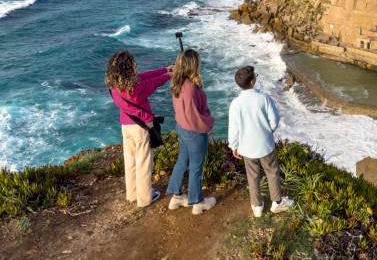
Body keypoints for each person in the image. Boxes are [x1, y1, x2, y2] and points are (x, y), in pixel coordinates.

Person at [106, 51, 171, 207]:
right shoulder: (136, 89)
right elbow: (153, 83)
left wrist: (165, 70)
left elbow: (145, 76)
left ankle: (133, 194)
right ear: (129, 68)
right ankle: (144, 198)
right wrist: (169, 76)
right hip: (140, 128)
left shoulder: (114, 87)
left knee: (131, 161)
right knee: (144, 163)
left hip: (126, 126)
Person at [228, 65, 294, 217]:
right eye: (255, 75)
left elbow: (234, 128)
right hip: (265, 145)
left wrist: (234, 145)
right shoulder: (264, 99)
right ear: (252, 82)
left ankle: (257, 206)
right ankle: (277, 203)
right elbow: (275, 119)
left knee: (252, 176)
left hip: (246, 147)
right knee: (272, 173)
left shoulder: (236, 104)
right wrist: (268, 130)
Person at [166, 49, 217, 215]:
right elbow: (194, 116)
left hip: (182, 128)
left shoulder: (177, 82)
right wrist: (208, 124)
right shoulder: (191, 88)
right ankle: (198, 202)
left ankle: (177, 197)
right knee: (196, 168)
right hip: (194, 132)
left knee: (182, 161)